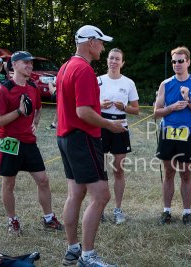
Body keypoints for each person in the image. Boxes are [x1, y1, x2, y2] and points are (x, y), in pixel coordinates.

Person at [56, 25, 125, 267]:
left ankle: (73, 249)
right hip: (82, 137)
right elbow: (83, 111)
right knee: (101, 195)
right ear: (91, 43)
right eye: (101, 43)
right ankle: (87, 256)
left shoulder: (65, 67)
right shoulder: (83, 69)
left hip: (66, 137)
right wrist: (109, 125)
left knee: (75, 193)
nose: (103, 47)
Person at [0, 51, 63, 236]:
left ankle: (48, 218)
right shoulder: (4, 89)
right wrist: (18, 111)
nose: (30, 66)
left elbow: (38, 108)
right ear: (14, 65)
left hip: (29, 142)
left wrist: (35, 124)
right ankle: (12, 220)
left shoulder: (32, 87)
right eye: (25, 63)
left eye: (31, 63)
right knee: (9, 184)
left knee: (43, 180)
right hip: (9, 142)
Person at [154, 46, 191, 228]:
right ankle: (166, 211)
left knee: (185, 173)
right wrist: (171, 107)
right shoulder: (165, 84)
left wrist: (189, 100)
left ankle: (187, 213)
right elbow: (156, 112)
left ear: (188, 62)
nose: (177, 64)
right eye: (174, 61)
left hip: (188, 133)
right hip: (168, 133)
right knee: (168, 172)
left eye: (181, 61)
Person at [98, 48, 139, 224]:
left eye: (118, 59)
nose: (114, 61)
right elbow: (87, 105)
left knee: (118, 169)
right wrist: (100, 105)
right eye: (111, 58)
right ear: (107, 61)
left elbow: (136, 110)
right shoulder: (97, 80)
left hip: (120, 126)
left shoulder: (128, 83)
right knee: (99, 170)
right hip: (100, 124)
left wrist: (124, 107)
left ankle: (118, 209)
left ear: (122, 63)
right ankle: (98, 208)